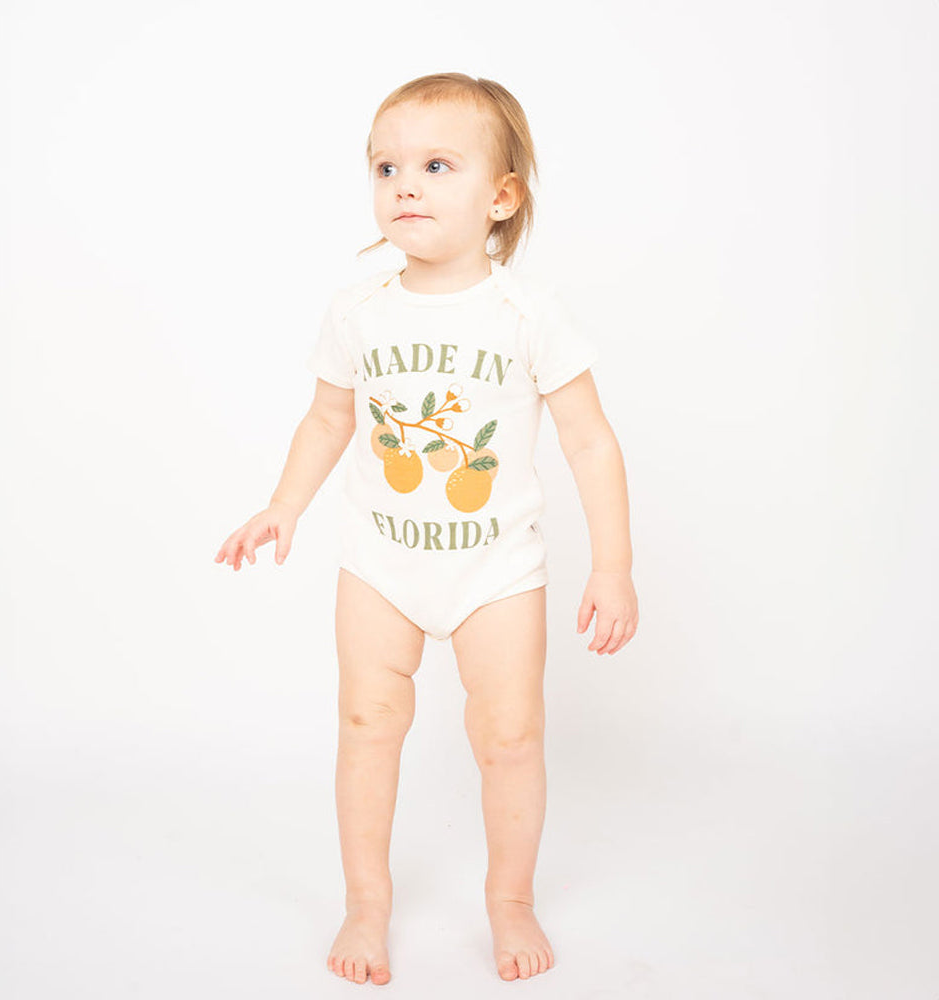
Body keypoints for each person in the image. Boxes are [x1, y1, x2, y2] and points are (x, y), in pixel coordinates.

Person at [214, 72, 638, 985]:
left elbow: (589, 441)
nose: (405, 184)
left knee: (511, 736)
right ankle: (366, 902)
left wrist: (613, 566)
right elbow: (327, 419)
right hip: (381, 565)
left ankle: (510, 899)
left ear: (501, 196)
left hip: (497, 571)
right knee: (367, 725)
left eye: (436, 166)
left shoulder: (528, 314)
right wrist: (283, 505)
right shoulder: (359, 311)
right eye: (386, 167)